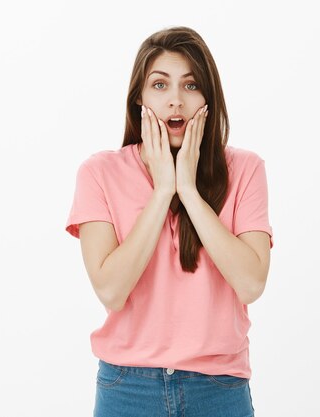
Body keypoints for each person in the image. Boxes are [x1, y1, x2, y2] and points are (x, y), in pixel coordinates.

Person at [65, 26, 272, 417]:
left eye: (191, 85)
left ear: (209, 97)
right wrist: (162, 192)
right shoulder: (99, 172)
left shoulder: (245, 169)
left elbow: (250, 283)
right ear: (139, 98)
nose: (175, 101)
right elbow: (111, 290)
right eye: (160, 86)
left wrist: (189, 191)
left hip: (219, 387)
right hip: (127, 387)